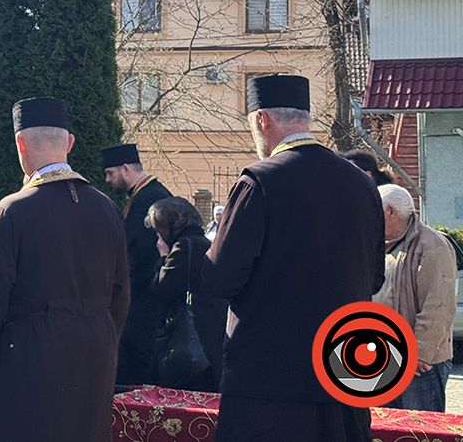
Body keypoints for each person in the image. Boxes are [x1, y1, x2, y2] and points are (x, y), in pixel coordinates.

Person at [204, 75, 384, 442]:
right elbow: (375, 277)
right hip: (342, 369)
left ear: (261, 120)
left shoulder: (260, 180)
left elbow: (221, 277)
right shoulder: (361, 183)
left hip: (270, 380)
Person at [0, 97, 130, 442]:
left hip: (30, 354)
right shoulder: (106, 208)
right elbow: (121, 292)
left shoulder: (13, 211)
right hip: (94, 351)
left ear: (19, 143)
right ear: (69, 143)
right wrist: (105, 341)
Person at [373, 184, 456, 412]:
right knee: (386, 427)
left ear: (390, 212)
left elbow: (438, 307)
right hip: (384, 356)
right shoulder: (380, 244)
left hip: (418, 365)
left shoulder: (432, 245)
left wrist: (419, 355)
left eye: (375, 212)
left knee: (418, 430)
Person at [102, 142, 170, 385]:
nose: (108, 181)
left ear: (126, 168)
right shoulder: (143, 196)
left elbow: (139, 255)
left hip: (143, 303)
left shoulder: (150, 199)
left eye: (110, 174)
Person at [145, 197, 228, 392]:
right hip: (212, 330)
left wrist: (163, 257)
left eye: (159, 230)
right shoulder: (203, 242)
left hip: (192, 334)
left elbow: (161, 288)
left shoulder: (184, 246)